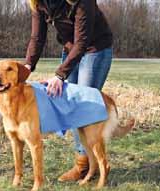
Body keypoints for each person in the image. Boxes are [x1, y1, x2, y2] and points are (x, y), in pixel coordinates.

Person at [24, 0, 113, 181]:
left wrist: (59, 76)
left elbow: (83, 41)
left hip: (95, 49)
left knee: (84, 108)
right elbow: (37, 37)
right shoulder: (38, 3)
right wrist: (27, 66)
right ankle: (84, 163)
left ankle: (87, 166)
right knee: (72, 107)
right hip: (71, 49)